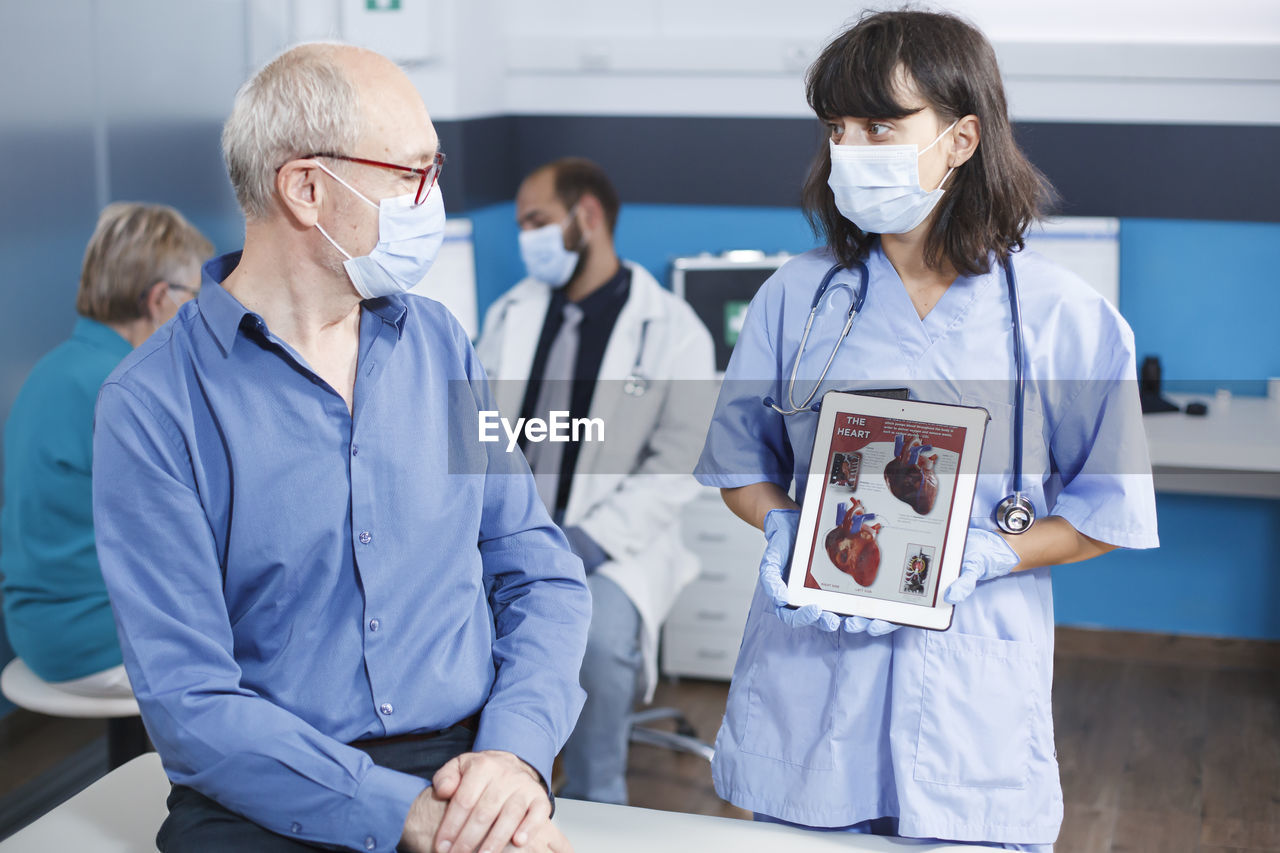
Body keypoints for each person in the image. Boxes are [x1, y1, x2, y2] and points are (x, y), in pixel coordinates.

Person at [92, 43, 589, 853]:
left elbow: (536, 569)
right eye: (411, 175)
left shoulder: (441, 345)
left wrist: (512, 754)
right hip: (263, 787)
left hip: (465, 765)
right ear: (307, 188)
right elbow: (190, 703)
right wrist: (405, 816)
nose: (433, 199)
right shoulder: (152, 405)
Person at [694, 10, 1158, 850]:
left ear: (962, 136)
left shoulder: (1063, 320)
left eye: (881, 124)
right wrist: (782, 525)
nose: (852, 148)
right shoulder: (794, 301)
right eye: (838, 128)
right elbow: (739, 463)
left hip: (968, 700)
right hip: (813, 689)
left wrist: (986, 554)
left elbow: (1105, 513)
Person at [476, 158, 714, 805]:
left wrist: (584, 539)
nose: (526, 237)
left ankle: (595, 796)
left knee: (598, 638)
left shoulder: (673, 332)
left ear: (587, 217)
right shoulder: (510, 315)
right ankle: (489, 787)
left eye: (536, 221)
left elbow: (677, 464)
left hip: (610, 546)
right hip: (504, 533)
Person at [1, 202, 210, 699]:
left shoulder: (57, 368)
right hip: (93, 638)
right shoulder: (122, 389)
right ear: (160, 299)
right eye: (196, 299)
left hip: (39, 627)